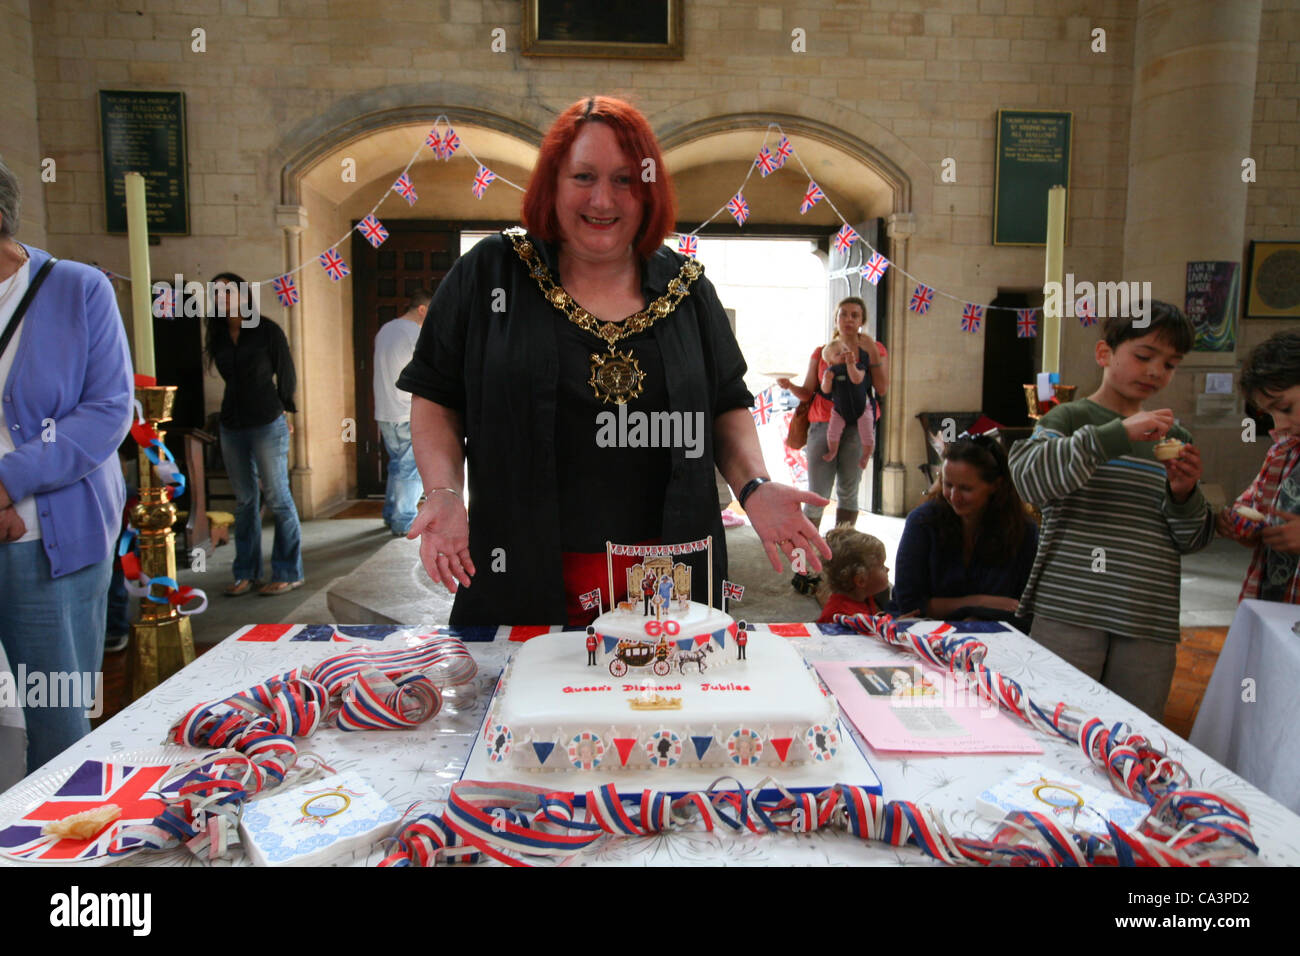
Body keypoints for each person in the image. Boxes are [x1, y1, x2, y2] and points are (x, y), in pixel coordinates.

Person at [396, 95, 830, 626]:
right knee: (521, 703)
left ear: (649, 191)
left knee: (660, 704)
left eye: (625, 179)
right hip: (522, 569)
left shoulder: (687, 289)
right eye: (583, 177)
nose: (603, 199)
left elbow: (726, 405)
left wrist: (754, 486)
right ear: (552, 184)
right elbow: (437, 394)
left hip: (669, 577)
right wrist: (443, 492)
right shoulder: (490, 273)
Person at [1008, 304, 1214, 720]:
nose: (1156, 370)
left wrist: (1183, 491)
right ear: (1104, 353)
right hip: (1071, 605)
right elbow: (1030, 481)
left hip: (1147, 614)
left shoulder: (1175, 437)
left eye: (1170, 364)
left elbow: (1190, 538)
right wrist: (1113, 437)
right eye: (1144, 356)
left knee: (1134, 732)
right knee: (1057, 723)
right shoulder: (1070, 417)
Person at [0, 156, 133, 771]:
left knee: (57, 724)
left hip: (45, 542)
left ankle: (57, 849)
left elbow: (108, 412)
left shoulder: (77, 288)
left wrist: (8, 482)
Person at [777, 297, 888, 592]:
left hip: (857, 424)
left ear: (862, 320)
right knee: (816, 494)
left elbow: (883, 387)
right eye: (844, 314)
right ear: (836, 319)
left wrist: (869, 356)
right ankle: (805, 564)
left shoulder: (873, 350)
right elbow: (808, 392)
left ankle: (841, 559)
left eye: (855, 315)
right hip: (823, 424)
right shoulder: (822, 352)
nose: (849, 319)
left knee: (849, 492)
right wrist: (789, 386)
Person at [204, 273, 304, 596]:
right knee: (246, 501)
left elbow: (286, 374)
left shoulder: (267, 331)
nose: (224, 299)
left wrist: (285, 412)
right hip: (232, 422)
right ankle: (245, 573)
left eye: (229, 292)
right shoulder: (217, 334)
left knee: (277, 496)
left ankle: (288, 571)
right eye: (218, 294)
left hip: (266, 420)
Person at [891, 435, 1037, 622]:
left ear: (996, 485)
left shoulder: (1023, 531)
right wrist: (980, 602)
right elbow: (910, 604)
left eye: (966, 489)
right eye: (948, 485)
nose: (954, 496)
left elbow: (1024, 607)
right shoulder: (922, 522)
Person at [1218, 330, 1300, 600]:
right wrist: (1241, 527)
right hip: (1277, 605)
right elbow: (1255, 508)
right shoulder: (1283, 451)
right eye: (1271, 414)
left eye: (1286, 408)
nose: (1281, 425)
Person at [373, 289, 432, 536]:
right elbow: (426, 372)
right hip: (407, 410)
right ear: (421, 309)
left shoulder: (386, 329)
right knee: (412, 468)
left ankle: (390, 514)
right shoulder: (415, 333)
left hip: (385, 410)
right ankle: (403, 521)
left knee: (397, 465)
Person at [818, 524, 890, 623]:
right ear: (861, 580)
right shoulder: (838, 616)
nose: (887, 569)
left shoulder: (865, 598)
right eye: (882, 566)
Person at [818, 339, 874, 466]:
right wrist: (827, 380)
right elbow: (825, 390)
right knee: (832, 431)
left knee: (867, 433)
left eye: (844, 350)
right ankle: (833, 450)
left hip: (862, 408)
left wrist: (850, 365)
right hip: (840, 410)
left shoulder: (858, 366)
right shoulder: (830, 372)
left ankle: (866, 455)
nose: (843, 353)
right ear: (830, 362)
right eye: (838, 354)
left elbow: (857, 379)